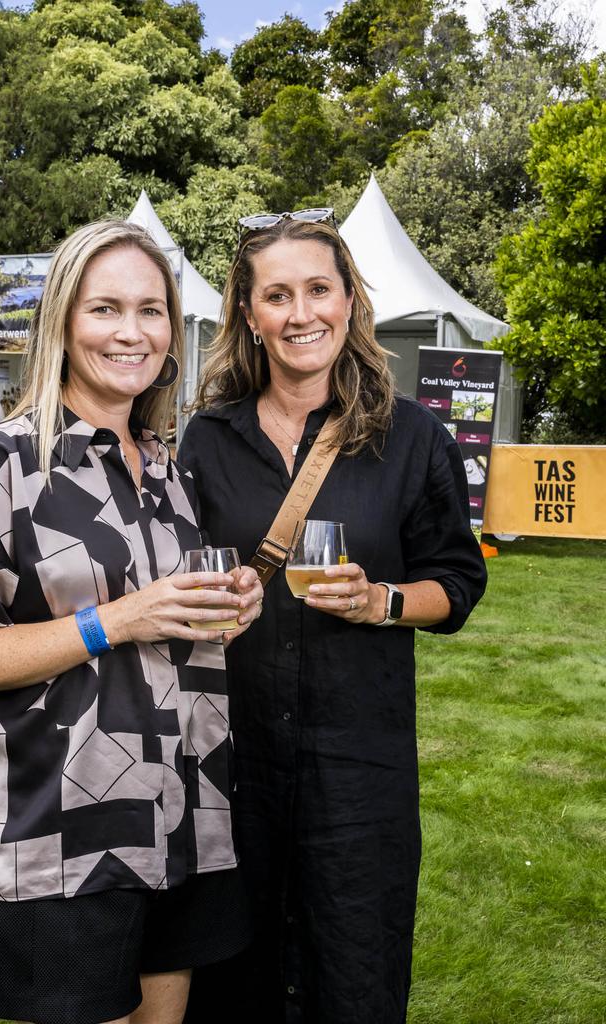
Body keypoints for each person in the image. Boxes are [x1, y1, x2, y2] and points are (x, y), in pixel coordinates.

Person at [0, 221, 263, 1024]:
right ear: (62, 320)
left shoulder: (166, 466)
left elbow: (166, 619)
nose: (133, 333)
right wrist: (117, 620)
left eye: (152, 311)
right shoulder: (1, 463)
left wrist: (222, 608)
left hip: (183, 819)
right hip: (60, 833)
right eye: (106, 309)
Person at [178, 209, 488, 1024]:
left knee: (354, 972)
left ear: (350, 300)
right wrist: (206, 605)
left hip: (359, 770)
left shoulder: (414, 438)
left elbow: (455, 584)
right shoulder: (204, 440)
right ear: (249, 314)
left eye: (319, 289)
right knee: (230, 978)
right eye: (276, 295)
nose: (300, 313)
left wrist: (380, 601)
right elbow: (173, 576)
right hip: (231, 762)